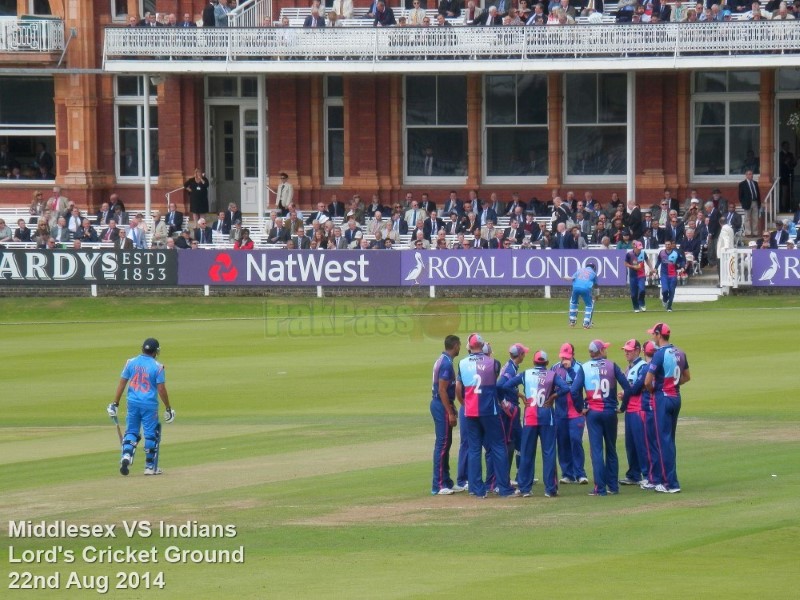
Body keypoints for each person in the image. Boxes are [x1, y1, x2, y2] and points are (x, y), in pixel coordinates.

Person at [499, 350, 569, 498]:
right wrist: (554, 396)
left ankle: (525, 488)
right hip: (546, 417)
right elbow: (566, 388)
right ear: (547, 363)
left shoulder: (526, 374)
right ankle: (550, 489)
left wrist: (520, 395)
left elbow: (505, 385)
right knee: (548, 453)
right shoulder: (552, 375)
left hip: (530, 417)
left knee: (526, 453)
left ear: (534, 362)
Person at [456, 333, 514, 498]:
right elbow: (494, 380)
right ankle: (504, 488)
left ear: (469, 346)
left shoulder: (461, 363)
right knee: (498, 446)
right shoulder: (493, 363)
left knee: (474, 449)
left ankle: (476, 488)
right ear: (482, 346)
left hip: (471, 410)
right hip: (489, 410)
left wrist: (464, 403)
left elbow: (458, 390)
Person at [570, 340, 631, 496]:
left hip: (593, 413)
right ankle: (613, 486)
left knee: (596, 451)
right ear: (601, 351)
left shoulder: (584, 368)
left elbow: (574, 391)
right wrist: (622, 407)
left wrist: (580, 408)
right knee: (611, 449)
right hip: (610, 412)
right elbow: (628, 388)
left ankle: (600, 488)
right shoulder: (612, 365)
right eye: (604, 348)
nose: (606, 350)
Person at [106, 338, 175, 477]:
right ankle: (150, 466)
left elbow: (122, 383)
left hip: (132, 402)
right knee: (151, 434)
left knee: (131, 431)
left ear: (142, 348)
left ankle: (126, 455)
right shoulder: (158, 366)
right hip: (149, 404)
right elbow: (161, 389)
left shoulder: (130, 362)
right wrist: (168, 408)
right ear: (156, 351)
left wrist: (115, 403)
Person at [644, 323, 690, 494]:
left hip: (662, 398)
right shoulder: (680, 352)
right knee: (669, 440)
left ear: (658, 335)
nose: (652, 337)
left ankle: (670, 483)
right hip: (676, 397)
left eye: (653, 334)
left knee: (663, 441)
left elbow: (647, 381)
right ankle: (670, 480)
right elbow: (687, 377)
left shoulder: (659, 354)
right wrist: (674, 385)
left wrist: (654, 390)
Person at [552, 343, 588, 485]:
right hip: (560, 413)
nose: (564, 360)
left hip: (576, 413)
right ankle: (567, 474)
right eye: (562, 357)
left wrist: (586, 405)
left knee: (576, 441)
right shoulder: (555, 368)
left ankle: (580, 473)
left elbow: (587, 387)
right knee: (562, 442)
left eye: (566, 357)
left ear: (572, 354)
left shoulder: (580, 367)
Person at [430, 335, 462, 495]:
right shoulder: (446, 364)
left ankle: (447, 481)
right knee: (442, 444)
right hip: (440, 405)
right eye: (459, 345)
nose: (460, 348)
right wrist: (449, 412)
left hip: (442, 404)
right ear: (455, 346)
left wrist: (451, 406)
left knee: (446, 443)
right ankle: (439, 484)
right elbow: (442, 389)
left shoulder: (444, 360)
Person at [616, 339, 651, 486]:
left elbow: (636, 388)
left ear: (637, 350)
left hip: (639, 410)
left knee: (641, 443)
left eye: (629, 350)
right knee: (630, 444)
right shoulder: (630, 367)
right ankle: (633, 474)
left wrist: (626, 393)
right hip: (630, 410)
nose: (626, 352)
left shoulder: (643, 367)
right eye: (625, 350)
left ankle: (648, 474)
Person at [495, 343, 529, 488]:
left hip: (512, 408)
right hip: (509, 411)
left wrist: (519, 394)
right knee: (510, 442)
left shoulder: (510, 366)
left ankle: (521, 475)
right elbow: (500, 385)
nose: (524, 355)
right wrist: (504, 403)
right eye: (524, 353)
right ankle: (505, 478)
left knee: (519, 442)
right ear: (520, 355)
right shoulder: (510, 369)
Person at [564, 261, 597, 329]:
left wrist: (567, 278)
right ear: (594, 268)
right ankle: (586, 324)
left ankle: (572, 321)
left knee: (573, 303)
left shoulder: (580, 270)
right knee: (589, 305)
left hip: (575, 288)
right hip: (586, 289)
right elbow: (596, 286)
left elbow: (572, 278)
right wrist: (596, 295)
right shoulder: (593, 273)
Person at [655, 240, 682, 312]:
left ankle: (669, 307)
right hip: (664, 274)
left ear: (671, 245)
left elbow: (681, 261)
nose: (667, 246)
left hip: (673, 274)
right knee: (665, 290)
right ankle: (664, 299)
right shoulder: (662, 253)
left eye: (669, 244)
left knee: (671, 291)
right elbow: (658, 261)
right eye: (666, 244)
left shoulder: (676, 253)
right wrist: (655, 268)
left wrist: (681, 267)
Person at [624, 240, 650, 313]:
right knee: (633, 294)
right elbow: (625, 263)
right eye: (638, 248)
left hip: (641, 275)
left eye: (640, 248)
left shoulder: (643, 253)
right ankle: (636, 307)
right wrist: (633, 266)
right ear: (634, 247)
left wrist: (651, 268)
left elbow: (647, 260)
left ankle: (642, 303)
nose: (640, 249)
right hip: (633, 276)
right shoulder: (629, 254)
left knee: (642, 290)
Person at [738, 169, 761, 237]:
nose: (751, 175)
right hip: (747, 203)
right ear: (746, 175)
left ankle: (755, 232)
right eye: (749, 174)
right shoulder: (742, 184)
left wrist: (759, 202)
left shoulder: (755, 183)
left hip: (755, 202)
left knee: (755, 218)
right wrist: (743, 203)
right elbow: (740, 195)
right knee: (747, 218)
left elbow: (758, 193)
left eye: (751, 174)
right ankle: (748, 233)